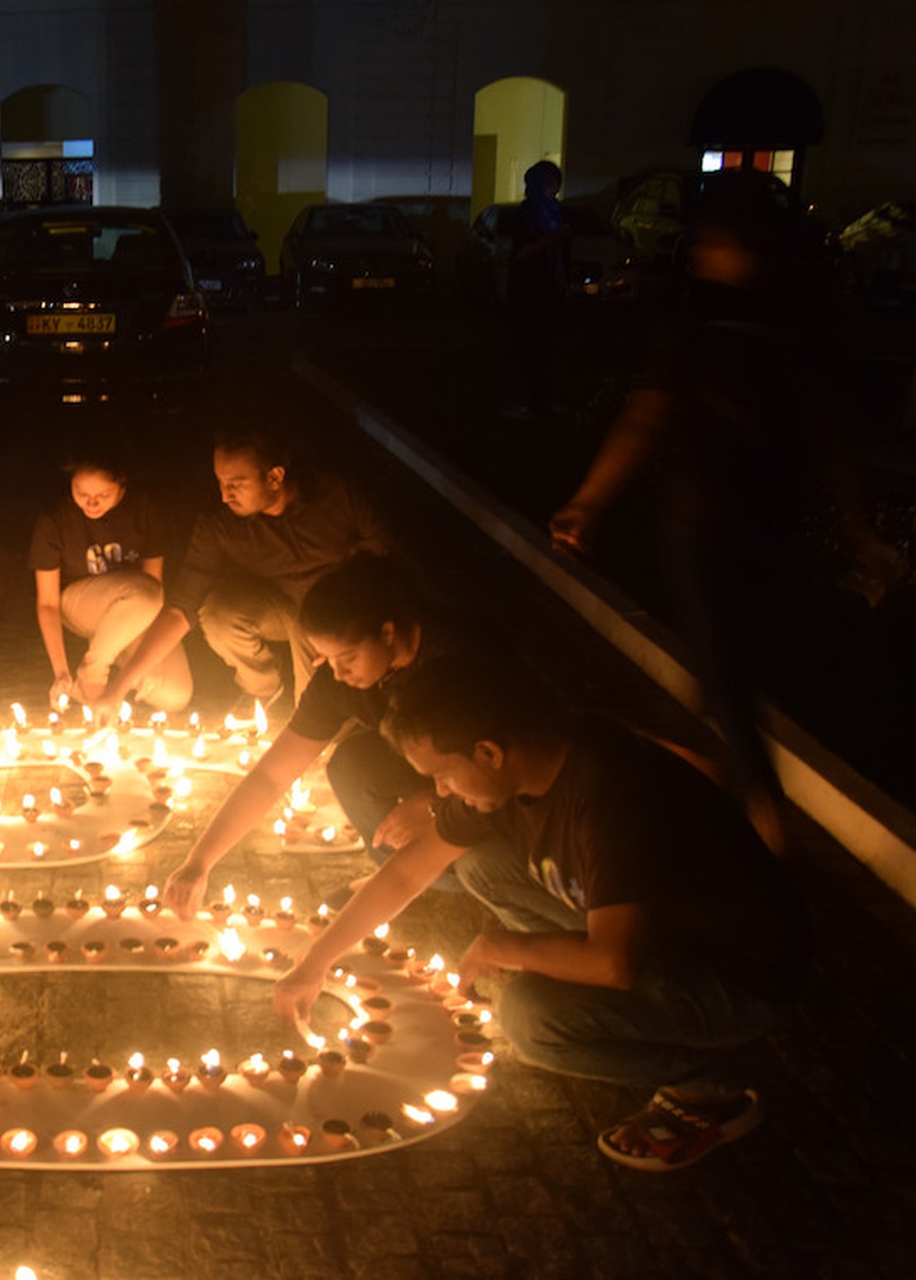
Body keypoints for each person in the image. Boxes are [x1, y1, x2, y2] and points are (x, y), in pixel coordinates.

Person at [272, 653, 795, 1172]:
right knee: (481, 866)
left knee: (531, 1017)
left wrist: (509, 947)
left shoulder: (606, 794)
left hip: (736, 974)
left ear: (489, 753)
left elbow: (616, 963)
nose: (439, 792)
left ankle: (711, 1086)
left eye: (444, 776)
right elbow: (411, 871)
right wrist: (314, 962)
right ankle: (610, 1000)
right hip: (655, 929)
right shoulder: (528, 768)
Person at [548, 172, 903, 852]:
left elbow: (644, 418)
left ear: (739, 246)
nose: (702, 252)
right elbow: (835, 440)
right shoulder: (793, 326)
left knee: (724, 656)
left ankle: (762, 813)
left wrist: (588, 501)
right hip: (766, 519)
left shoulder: (698, 327)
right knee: (724, 655)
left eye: (713, 241)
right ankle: (719, 771)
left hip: (706, 518)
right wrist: (857, 530)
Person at [159, 554, 480, 918]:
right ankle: (396, 875)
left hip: (490, 796)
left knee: (475, 867)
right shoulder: (339, 682)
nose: (338, 673)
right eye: (326, 658)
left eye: (347, 657)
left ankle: (438, 877)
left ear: (388, 634)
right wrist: (199, 862)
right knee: (352, 764)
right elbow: (271, 775)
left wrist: (434, 807)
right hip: (429, 774)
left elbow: (506, 776)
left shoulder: (458, 667)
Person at [91, 425, 390, 717]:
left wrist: (350, 629)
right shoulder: (222, 524)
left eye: (236, 483)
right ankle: (263, 691)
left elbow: (387, 562)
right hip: (282, 605)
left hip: (339, 609)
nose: (225, 495)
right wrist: (120, 687)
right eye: (220, 482)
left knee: (313, 711)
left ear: (275, 477)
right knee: (219, 611)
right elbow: (181, 608)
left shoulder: (338, 494)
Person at [30, 450, 191, 713]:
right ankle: (92, 673)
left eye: (103, 495)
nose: (91, 503)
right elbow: (47, 603)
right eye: (81, 493)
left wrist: (148, 662)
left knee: (175, 695)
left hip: (136, 607)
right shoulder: (54, 521)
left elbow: (153, 590)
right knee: (143, 594)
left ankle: (92, 686)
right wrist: (60, 671)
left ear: (122, 483)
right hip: (80, 605)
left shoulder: (144, 510)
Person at [502, 159, 572, 420]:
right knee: (523, 348)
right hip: (527, 293)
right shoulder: (524, 216)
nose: (554, 191)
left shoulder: (554, 213)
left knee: (547, 349)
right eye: (551, 185)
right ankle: (518, 400)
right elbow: (519, 253)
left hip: (550, 293)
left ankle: (544, 398)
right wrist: (552, 239)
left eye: (556, 185)